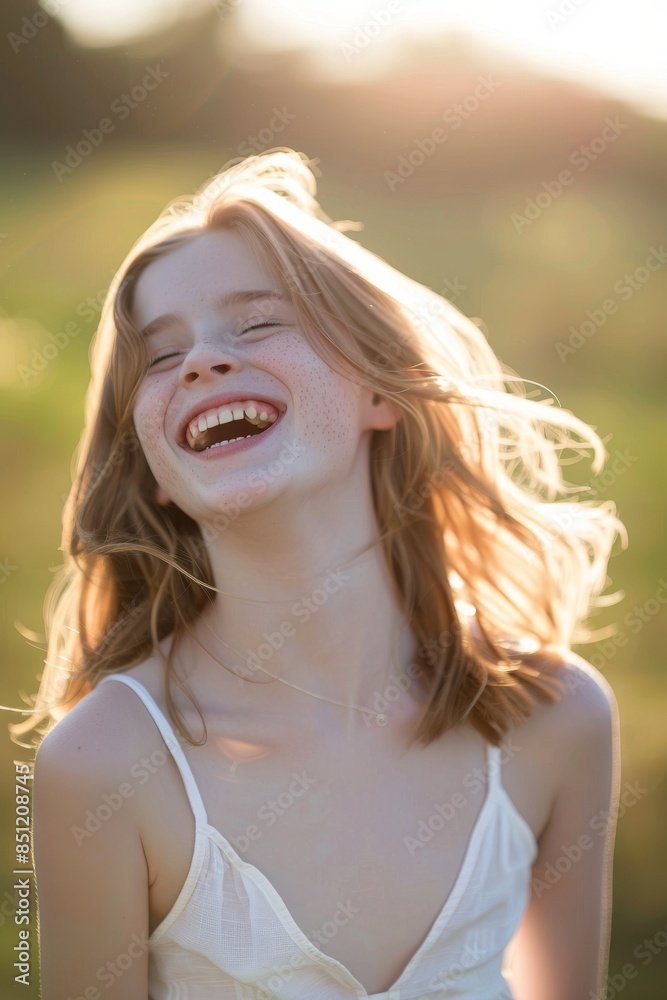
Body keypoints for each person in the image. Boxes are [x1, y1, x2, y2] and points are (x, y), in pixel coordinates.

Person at [23, 147, 624, 999]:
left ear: (380, 393)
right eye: (160, 357)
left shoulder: (556, 716)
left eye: (258, 323)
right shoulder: (102, 763)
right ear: (156, 468)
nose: (200, 361)